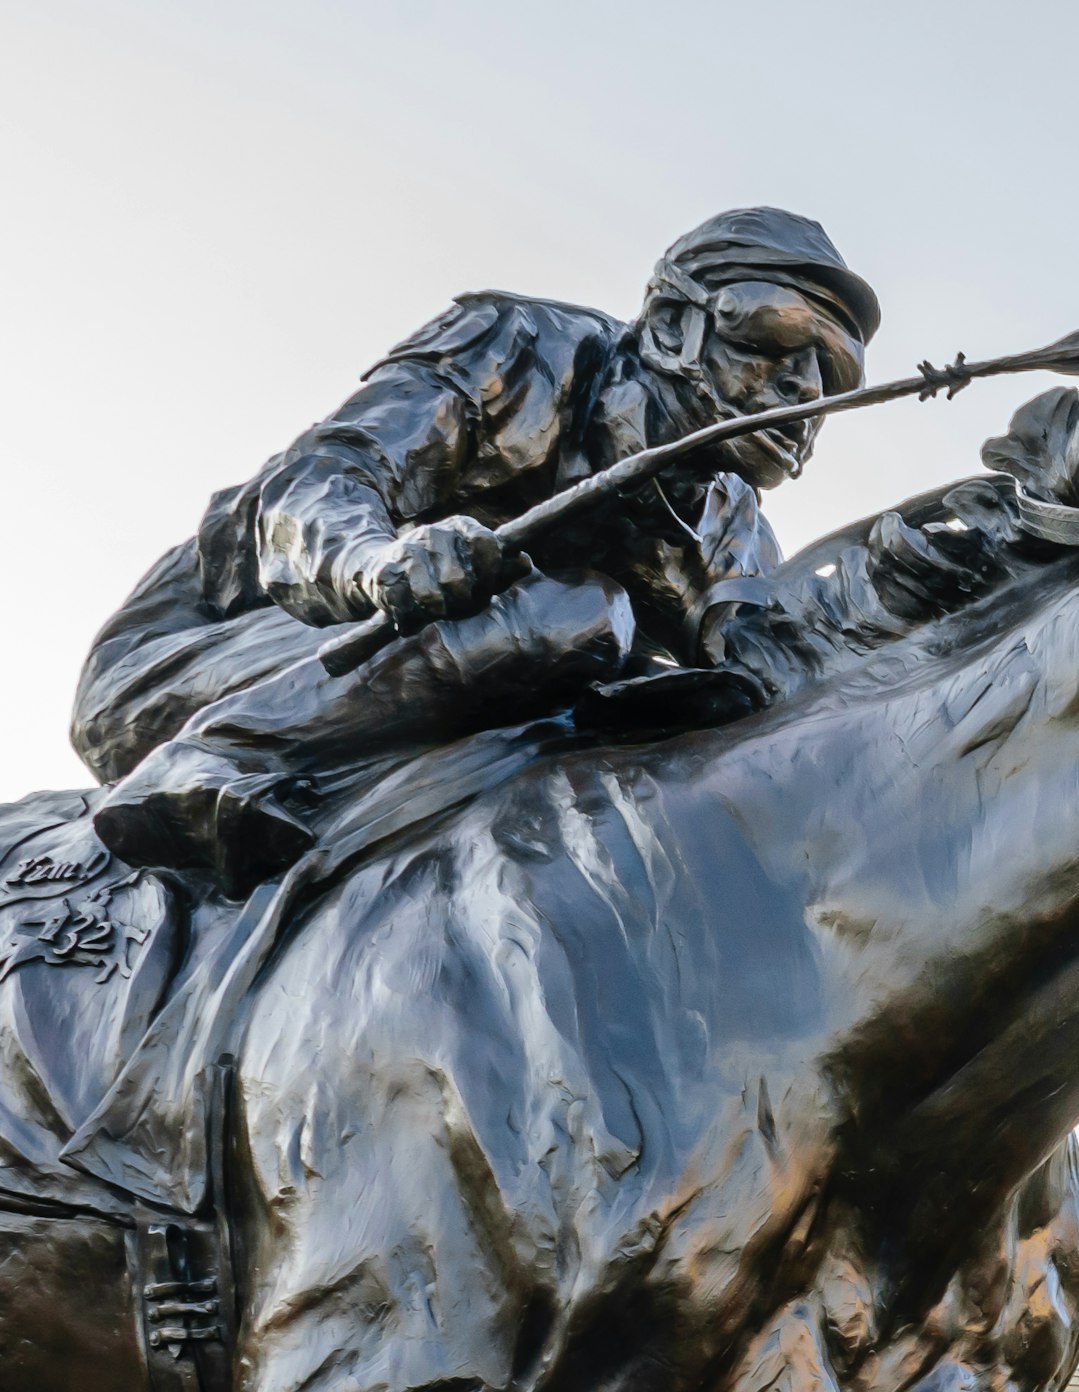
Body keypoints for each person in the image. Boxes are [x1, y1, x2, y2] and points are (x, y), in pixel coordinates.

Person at [70, 209, 881, 889]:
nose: (804, 390)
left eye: (832, 374)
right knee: (573, 614)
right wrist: (382, 563)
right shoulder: (516, 347)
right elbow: (313, 485)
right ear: (672, 325)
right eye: (772, 341)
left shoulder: (734, 525)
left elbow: (766, 681)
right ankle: (212, 761)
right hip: (196, 661)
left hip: (462, 699)